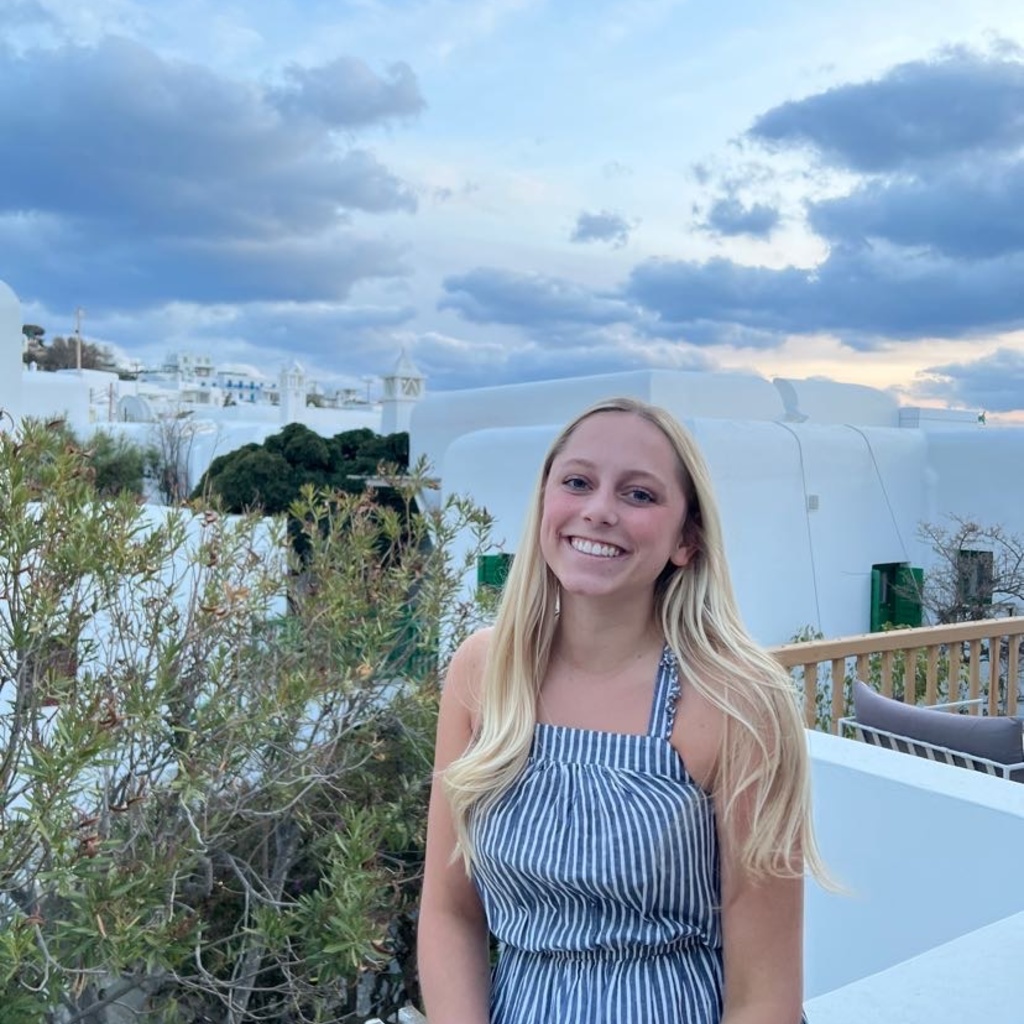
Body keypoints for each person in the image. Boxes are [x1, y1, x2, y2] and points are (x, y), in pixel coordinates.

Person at [418, 397, 826, 1024]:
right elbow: (449, 912)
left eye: (639, 495)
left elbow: (765, 997)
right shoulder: (483, 671)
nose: (599, 510)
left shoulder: (736, 701)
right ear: (545, 504)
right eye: (577, 482)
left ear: (687, 539)